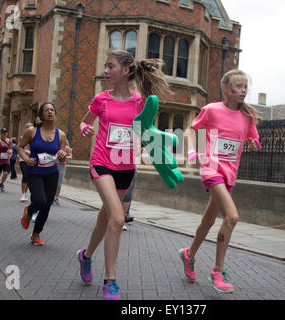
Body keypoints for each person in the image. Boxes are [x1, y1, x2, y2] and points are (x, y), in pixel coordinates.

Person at [76, 49, 170, 300]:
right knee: (117, 218)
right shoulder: (101, 99)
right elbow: (84, 121)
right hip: (102, 163)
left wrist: (143, 144)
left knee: (105, 219)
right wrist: (86, 128)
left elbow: (146, 131)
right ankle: (110, 281)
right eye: (105, 66)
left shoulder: (141, 102)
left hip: (126, 168)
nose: (105, 71)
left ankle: (86, 257)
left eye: (110, 66)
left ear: (126, 71)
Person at [178, 69, 260, 293]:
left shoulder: (248, 116)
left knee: (208, 220)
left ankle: (189, 254)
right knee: (232, 217)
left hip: (230, 174)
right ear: (225, 88)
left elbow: (252, 136)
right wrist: (193, 151)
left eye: (245, 87)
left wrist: (254, 142)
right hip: (211, 169)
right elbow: (189, 130)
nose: (243, 91)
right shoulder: (211, 110)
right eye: (238, 86)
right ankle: (218, 270)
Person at [17, 102, 67, 245]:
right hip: (35, 172)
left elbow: (61, 155)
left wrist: (62, 153)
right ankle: (29, 211)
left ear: (55, 114)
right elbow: (19, 147)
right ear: (41, 115)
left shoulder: (61, 135)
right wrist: (26, 159)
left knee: (46, 206)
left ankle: (36, 234)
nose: (50, 112)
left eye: (52, 110)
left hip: (52, 173)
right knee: (39, 201)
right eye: (46, 110)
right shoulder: (32, 131)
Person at [54, 138, 72, 206]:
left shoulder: (66, 148)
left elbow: (71, 156)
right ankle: (51, 197)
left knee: (59, 183)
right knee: (52, 182)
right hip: (54, 165)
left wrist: (64, 157)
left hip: (62, 166)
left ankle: (56, 198)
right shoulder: (55, 147)